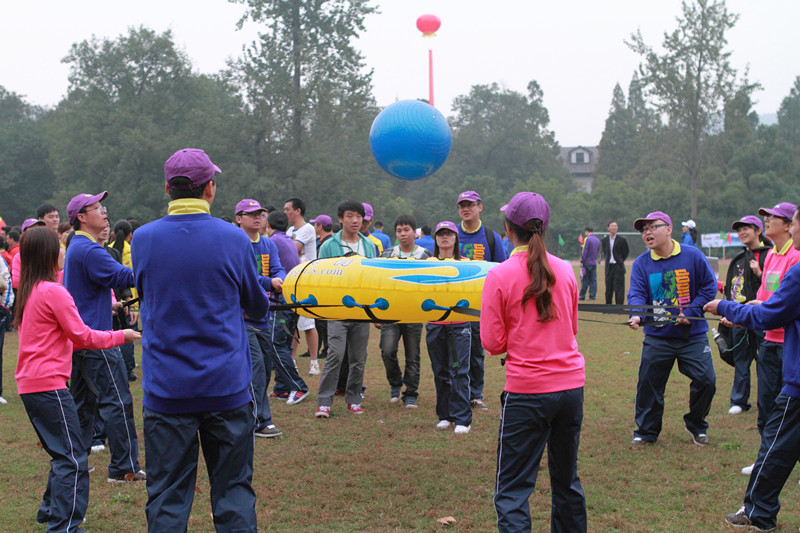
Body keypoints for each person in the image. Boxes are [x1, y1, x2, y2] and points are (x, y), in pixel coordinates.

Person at [132, 148, 270, 530]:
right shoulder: (234, 238)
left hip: (166, 389)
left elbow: (148, 293)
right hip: (226, 387)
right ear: (210, 188)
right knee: (234, 492)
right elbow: (256, 306)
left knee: (166, 498)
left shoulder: (142, 239)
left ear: (168, 188)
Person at [15, 226, 140, 532]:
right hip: (48, 385)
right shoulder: (53, 291)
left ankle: (51, 511)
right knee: (72, 457)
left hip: (31, 384)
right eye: (59, 246)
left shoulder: (32, 290)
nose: (64, 250)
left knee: (63, 451)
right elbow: (82, 336)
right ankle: (64, 526)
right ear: (48, 254)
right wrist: (120, 336)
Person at [481, 192, 586, 533]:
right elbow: (571, 327)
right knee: (567, 481)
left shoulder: (499, 275)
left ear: (508, 230)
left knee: (512, 490)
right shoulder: (566, 269)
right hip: (570, 388)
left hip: (527, 392)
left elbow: (493, 343)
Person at [704, 205, 800, 531]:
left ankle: (758, 512)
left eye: (793, 223)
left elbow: (769, 315)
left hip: (796, 379)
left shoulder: (797, 267)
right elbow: (772, 305)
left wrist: (725, 307)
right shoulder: (772, 257)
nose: (792, 230)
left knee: (776, 443)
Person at [64, 192, 144, 483]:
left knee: (82, 407)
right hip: (97, 340)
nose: (104, 212)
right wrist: (159, 270)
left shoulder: (77, 246)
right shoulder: (89, 249)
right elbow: (125, 277)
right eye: (97, 208)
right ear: (82, 217)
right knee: (117, 402)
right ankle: (124, 468)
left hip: (80, 340)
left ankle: (74, 462)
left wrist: (105, 304)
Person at [627, 211, 717, 446]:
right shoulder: (641, 263)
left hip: (692, 336)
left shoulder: (693, 256)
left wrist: (691, 311)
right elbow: (637, 293)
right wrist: (637, 314)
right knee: (649, 385)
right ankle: (646, 432)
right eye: (643, 230)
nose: (647, 233)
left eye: (652, 227)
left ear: (668, 229)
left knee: (706, 380)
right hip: (657, 337)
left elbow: (709, 287)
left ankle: (696, 424)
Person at [739, 202, 800, 476]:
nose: (766, 221)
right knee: (766, 404)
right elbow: (765, 295)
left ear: (788, 225)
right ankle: (766, 456)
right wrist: (744, 312)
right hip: (769, 340)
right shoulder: (772, 254)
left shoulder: (795, 257)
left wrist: (754, 311)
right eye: (765, 216)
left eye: (773, 217)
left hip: (788, 342)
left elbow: (783, 304)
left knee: (790, 408)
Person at [314, 200, 377, 418]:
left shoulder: (368, 246)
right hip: (337, 309)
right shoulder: (329, 245)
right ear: (340, 219)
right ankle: (324, 402)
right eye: (350, 216)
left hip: (361, 309)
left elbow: (373, 278)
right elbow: (320, 276)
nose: (355, 220)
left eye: (359, 216)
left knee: (358, 358)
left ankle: (354, 399)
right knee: (335, 355)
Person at [235, 199, 290, 438]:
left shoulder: (268, 244)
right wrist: (269, 282)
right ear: (239, 218)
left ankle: (249, 415)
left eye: (261, 213)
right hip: (241, 316)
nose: (258, 218)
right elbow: (243, 276)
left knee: (265, 369)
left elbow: (277, 268)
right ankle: (261, 421)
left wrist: (280, 278)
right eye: (251, 214)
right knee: (255, 367)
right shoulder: (235, 243)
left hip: (264, 315)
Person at [456, 190, 507, 411]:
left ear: (480, 207)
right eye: (462, 206)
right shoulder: (452, 234)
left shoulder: (490, 237)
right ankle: (456, 393)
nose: (466, 209)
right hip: (455, 305)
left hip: (481, 306)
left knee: (476, 351)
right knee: (455, 352)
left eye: (470, 205)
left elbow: (502, 270)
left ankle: (476, 394)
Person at [378, 214, 431, 408]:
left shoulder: (425, 255)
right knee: (387, 350)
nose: (403, 234)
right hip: (390, 312)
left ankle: (411, 393)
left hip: (414, 312)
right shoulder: (387, 254)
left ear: (414, 232)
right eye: (399, 230)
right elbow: (378, 283)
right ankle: (395, 383)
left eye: (406, 230)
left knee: (413, 356)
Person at [425, 221, 472, 433]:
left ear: (456, 238)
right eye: (441, 234)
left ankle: (462, 418)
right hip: (435, 323)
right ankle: (445, 415)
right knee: (440, 371)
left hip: (460, 323)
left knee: (459, 371)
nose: (445, 237)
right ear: (435, 239)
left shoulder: (467, 263)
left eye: (449, 234)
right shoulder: (428, 263)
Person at [722, 215, 771, 415]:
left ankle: (769, 400)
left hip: (763, 317)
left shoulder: (770, 255)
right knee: (741, 359)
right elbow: (733, 288)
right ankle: (739, 400)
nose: (742, 233)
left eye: (746, 229)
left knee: (767, 361)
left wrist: (759, 273)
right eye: (739, 230)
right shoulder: (739, 259)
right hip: (741, 317)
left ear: (758, 231)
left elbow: (776, 287)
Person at [284, 197, 320, 375]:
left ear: (298, 211)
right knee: (293, 323)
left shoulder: (307, 229)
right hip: (293, 279)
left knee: (307, 323)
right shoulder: (290, 230)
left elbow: (293, 249)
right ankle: (292, 360)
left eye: (288, 209)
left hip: (307, 279)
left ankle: (314, 362)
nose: (285, 212)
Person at [600, 219, 629, 305]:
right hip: (609, 267)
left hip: (618, 266)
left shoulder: (622, 240)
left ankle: (619, 307)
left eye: (616, 226)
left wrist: (620, 260)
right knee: (608, 288)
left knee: (619, 288)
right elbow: (605, 252)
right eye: (612, 226)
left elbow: (626, 252)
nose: (614, 227)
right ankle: (608, 307)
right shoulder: (604, 240)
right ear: (608, 228)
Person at [579, 226, 600, 301]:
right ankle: (592, 296)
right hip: (593, 262)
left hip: (587, 263)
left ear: (586, 231)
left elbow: (585, 250)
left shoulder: (587, 239)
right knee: (593, 280)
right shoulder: (597, 240)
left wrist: (582, 261)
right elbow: (597, 251)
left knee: (585, 280)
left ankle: (582, 296)